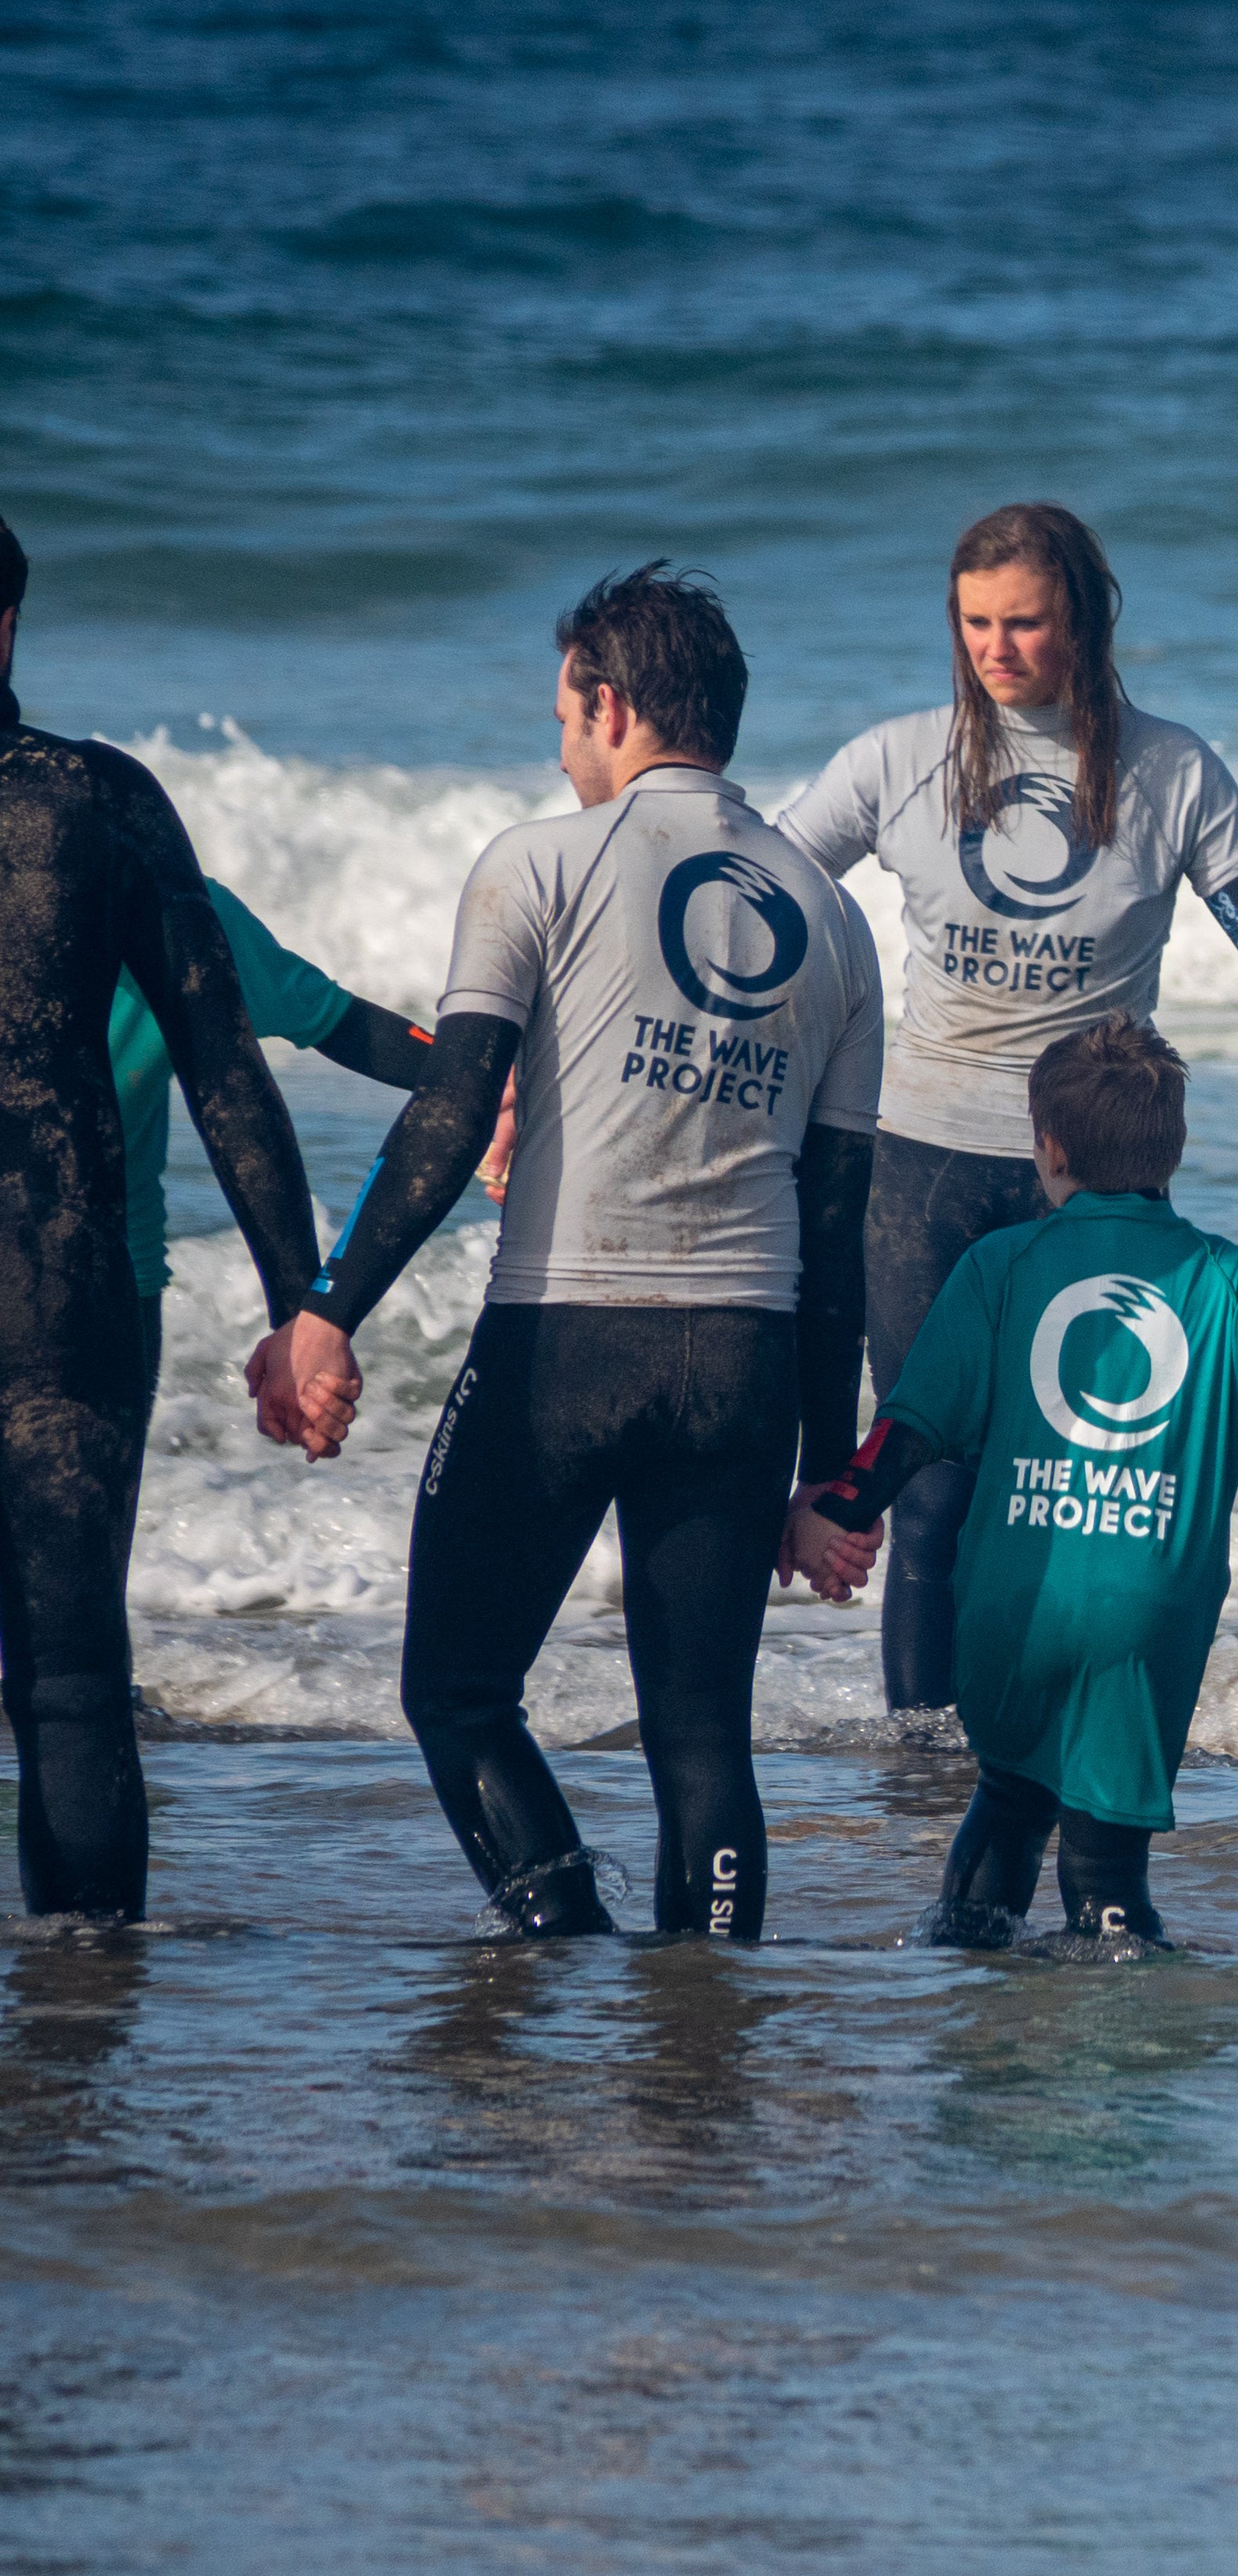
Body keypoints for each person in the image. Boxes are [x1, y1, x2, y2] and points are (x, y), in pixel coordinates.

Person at [778, 503, 1238, 1719]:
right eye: (974, 625)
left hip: (1094, 1179)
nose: (995, 650)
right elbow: (766, 904)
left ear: (1085, 621)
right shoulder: (896, 761)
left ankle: (1057, 1728)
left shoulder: (1170, 772)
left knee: (1088, 1478)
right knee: (937, 1486)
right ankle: (924, 1762)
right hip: (927, 1167)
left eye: (1025, 624)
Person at [254, 565, 883, 1938]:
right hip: (745, 1356)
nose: (558, 746)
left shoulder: (536, 860)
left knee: (458, 1692)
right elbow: (837, 1226)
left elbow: (450, 1109)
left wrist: (326, 1305)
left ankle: (562, 1949)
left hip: (564, 1340)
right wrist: (824, 1469)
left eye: (563, 713)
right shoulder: (832, 916)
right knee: (704, 1736)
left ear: (609, 703)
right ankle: (703, 2047)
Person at [793, 1020, 1238, 1946]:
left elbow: (907, 1430)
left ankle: (959, 1984)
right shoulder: (1224, 1280)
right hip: (1142, 1616)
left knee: (1009, 1797)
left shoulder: (1000, 1265)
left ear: (1049, 1146)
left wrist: (833, 1512)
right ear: (1175, 1150)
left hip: (1009, 1608)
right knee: (1106, 1859)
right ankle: (1118, 1999)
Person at [0, 512, 327, 1918]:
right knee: (69, 1676)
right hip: (62, 1283)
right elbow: (223, 1067)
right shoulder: (100, 801)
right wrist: (305, 1305)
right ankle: (79, 2047)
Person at [106, 881, 431, 1467]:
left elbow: (340, 1023)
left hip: (113, 1293)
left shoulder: (179, 914)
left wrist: (495, 1083)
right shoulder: (166, 904)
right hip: (112, 1290)